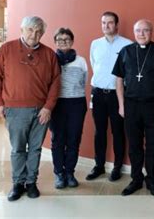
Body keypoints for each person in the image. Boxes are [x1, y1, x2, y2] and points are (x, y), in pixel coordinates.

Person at [0, 16, 61, 201]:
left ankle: (31, 183)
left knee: (35, 149)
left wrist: (48, 107)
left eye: (38, 31)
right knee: (18, 149)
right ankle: (17, 183)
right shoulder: (6, 49)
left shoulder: (49, 54)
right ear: (22, 30)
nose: (34, 34)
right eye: (30, 29)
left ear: (43, 33)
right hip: (15, 110)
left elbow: (55, 83)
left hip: (41, 111)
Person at [112, 19, 154, 197]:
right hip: (131, 105)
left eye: (145, 30)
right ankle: (136, 179)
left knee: (153, 145)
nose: (141, 34)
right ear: (134, 33)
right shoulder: (126, 51)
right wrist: (121, 104)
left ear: (151, 32)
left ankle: (152, 180)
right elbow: (118, 79)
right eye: (138, 30)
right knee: (134, 145)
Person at [87, 11, 132, 181]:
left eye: (110, 23)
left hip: (117, 95)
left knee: (118, 132)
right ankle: (99, 166)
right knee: (99, 131)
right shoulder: (95, 44)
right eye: (103, 23)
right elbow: (94, 65)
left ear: (117, 25)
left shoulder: (127, 45)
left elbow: (128, 71)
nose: (106, 26)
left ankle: (117, 167)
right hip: (98, 93)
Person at [49, 28, 88, 189]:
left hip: (76, 104)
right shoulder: (51, 59)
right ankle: (59, 173)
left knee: (74, 139)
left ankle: (70, 172)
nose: (63, 42)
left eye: (66, 39)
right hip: (56, 104)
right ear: (55, 42)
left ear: (72, 41)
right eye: (59, 39)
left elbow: (84, 81)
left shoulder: (81, 61)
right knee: (58, 140)